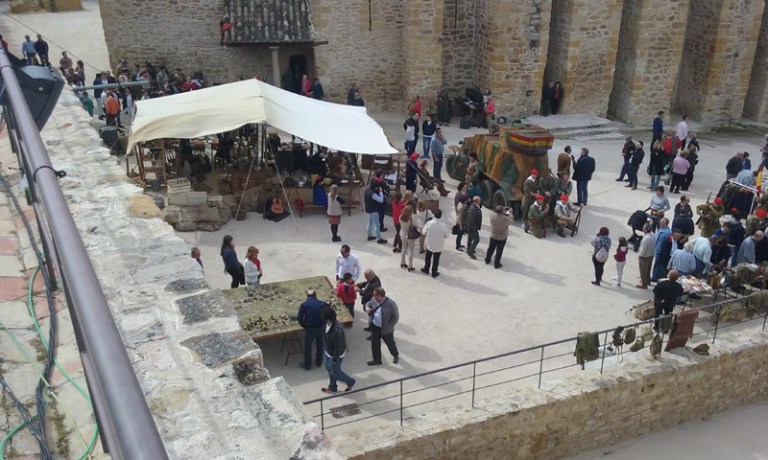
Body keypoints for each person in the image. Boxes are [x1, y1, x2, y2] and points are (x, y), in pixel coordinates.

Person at [320, 306, 356, 393]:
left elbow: (339, 347)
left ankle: (350, 382)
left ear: (327, 317)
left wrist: (335, 360)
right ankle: (332, 387)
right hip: (328, 352)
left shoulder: (337, 330)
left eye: (322, 315)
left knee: (336, 373)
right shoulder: (327, 323)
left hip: (335, 356)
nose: (321, 316)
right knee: (329, 369)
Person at [365, 287, 400, 366]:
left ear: (381, 295)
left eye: (375, 295)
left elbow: (396, 317)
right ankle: (377, 360)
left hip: (386, 329)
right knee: (375, 344)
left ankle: (395, 355)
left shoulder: (391, 304)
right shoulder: (374, 300)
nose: (373, 297)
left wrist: (389, 326)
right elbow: (368, 303)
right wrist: (367, 307)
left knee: (390, 343)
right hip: (375, 327)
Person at [297, 289, 328, 370]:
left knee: (308, 347)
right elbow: (328, 314)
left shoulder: (304, 305)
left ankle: (307, 365)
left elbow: (299, 318)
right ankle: (319, 361)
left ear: (307, 296)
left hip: (310, 328)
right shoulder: (323, 304)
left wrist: (304, 325)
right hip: (320, 327)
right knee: (320, 345)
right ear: (315, 295)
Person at [420, 209, 450, 277]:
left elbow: (423, 232)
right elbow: (447, 235)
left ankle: (426, 269)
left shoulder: (429, 223)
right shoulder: (444, 225)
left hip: (429, 243)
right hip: (439, 245)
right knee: (436, 259)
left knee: (428, 257)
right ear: (441, 216)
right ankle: (434, 272)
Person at [636, 224, 656, 289]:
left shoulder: (646, 239)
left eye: (644, 228)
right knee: (648, 269)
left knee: (643, 270)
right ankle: (647, 281)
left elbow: (643, 249)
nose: (642, 229)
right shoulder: (653, 235)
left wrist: (640, 255)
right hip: (651, 254)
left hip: (644, 256)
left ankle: (644, 284)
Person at [399, 205, 417, 272]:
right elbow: (415, 226)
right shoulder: (411, 218)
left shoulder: (400, 216)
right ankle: (410, 266)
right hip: (410, 235)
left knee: (403, 249)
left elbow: (400, 223)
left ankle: (402, 262)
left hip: (402, 234)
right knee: (411, 251)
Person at [466, 196, 482, 260]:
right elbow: (471, 220)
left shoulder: (474, 207)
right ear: (477, 201)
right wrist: (475, 228)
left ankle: (469, 249)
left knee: (470, 238)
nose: (480, 201)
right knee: (476, 239)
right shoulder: (473, 209)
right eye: (479, 201)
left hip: (471, 227)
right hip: (472, 227)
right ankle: (470, 252)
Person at [454, 182, 468, 251]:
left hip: (464, 213)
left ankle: (459, 243)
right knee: (460, 230)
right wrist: (456, 212)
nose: (466, 188)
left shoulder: (466, 193)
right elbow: (456, 203)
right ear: (461, 187)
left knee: (461, 231)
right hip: (460, 213)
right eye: (464, 187)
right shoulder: (458, 194)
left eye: (466, 187)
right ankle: (457, 245)